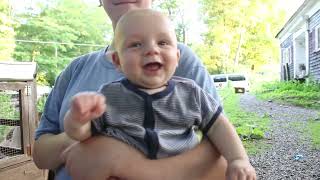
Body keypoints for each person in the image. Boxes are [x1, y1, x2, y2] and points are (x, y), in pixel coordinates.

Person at [33, 0, 228, 180]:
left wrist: (122, 161)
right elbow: (41, 154)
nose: (153, 51)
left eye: (162, 42)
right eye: (135, 45)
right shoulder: (76, 68)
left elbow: (221, 155)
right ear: (116, 60)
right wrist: (84, 128)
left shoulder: (179, 61)